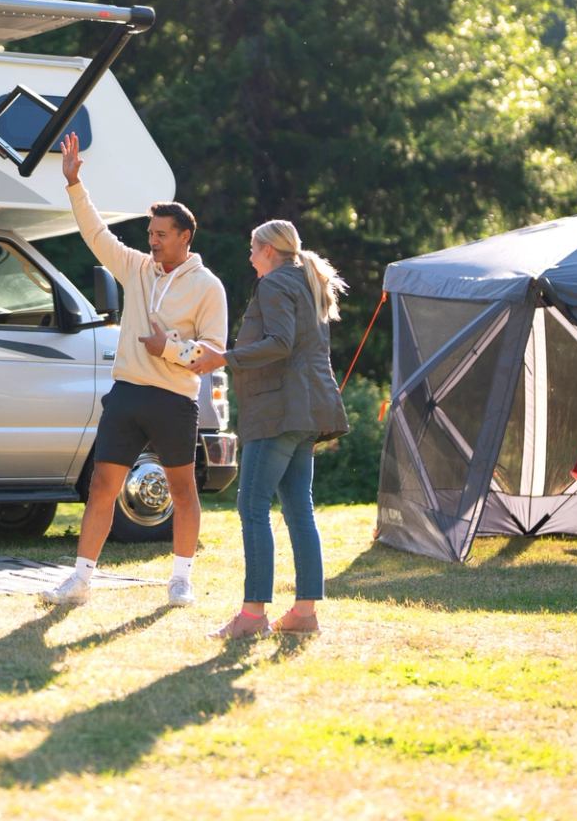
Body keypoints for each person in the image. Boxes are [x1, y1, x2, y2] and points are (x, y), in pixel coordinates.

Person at [41, 132, 228, 608]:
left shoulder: (208, 287)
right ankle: (80, 581)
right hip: (126, 394)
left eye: (161, 235)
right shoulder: (137, 268)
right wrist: (74, 184)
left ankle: (181, 580)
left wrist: (171, 349)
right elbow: (95, 234)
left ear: (185, 237)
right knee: (102, 485)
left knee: (182, 490)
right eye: (150, 235)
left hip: (174, 401)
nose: (153, 242)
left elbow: (214, 353)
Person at [191, 220, 350, 638]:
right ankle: (304, 613)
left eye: (252, 249)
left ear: (267, 251)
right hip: (307, 410)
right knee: (299, 507)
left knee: (252, 506)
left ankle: (252, 616)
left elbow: (280, 343)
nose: (249, 257)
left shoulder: (276, 283)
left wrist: (223, 358)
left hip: (279, 411)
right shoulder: (307, 282)